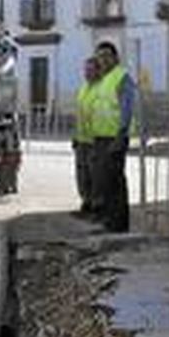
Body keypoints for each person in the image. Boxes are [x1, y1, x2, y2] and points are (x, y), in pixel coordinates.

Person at [86, 41, 137, 233]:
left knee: (115, 182)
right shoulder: (104, 79)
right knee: (104, 182)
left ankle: (119, 225)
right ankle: (109, 221)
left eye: (107, 55)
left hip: (115, 137)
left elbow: (127, 108)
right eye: (100, 56)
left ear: (116, 58)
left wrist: (121, 135)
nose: (103, 59)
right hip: (101, 138)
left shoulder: (121, 77)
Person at [73, 57, 101, 219]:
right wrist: (75, 137)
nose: (87, 73)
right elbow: (80, 114)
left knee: (95, 176)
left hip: (95, 141)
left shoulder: (101, 90)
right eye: (85, 70)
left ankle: (97, 207)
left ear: (98, 71)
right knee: (82, 174)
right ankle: (86, 202)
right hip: (82, 140)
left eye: (90, 70)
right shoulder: (84, 88)